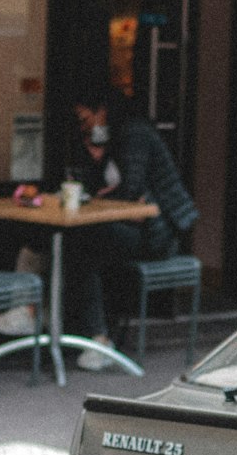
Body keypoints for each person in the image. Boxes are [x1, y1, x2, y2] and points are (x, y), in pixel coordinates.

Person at [67, 87, 199, 370]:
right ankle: (66, 324)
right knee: (74, 240)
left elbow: (130, 190)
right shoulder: (111, 140)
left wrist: (114, 197)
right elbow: (99, 188)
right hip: (134, 226)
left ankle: (96, 339)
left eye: (85, 118)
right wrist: (96, 158)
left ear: (102, 110)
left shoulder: (135, 134)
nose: (83, 126)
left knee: (82, 244)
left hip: (159, 235)